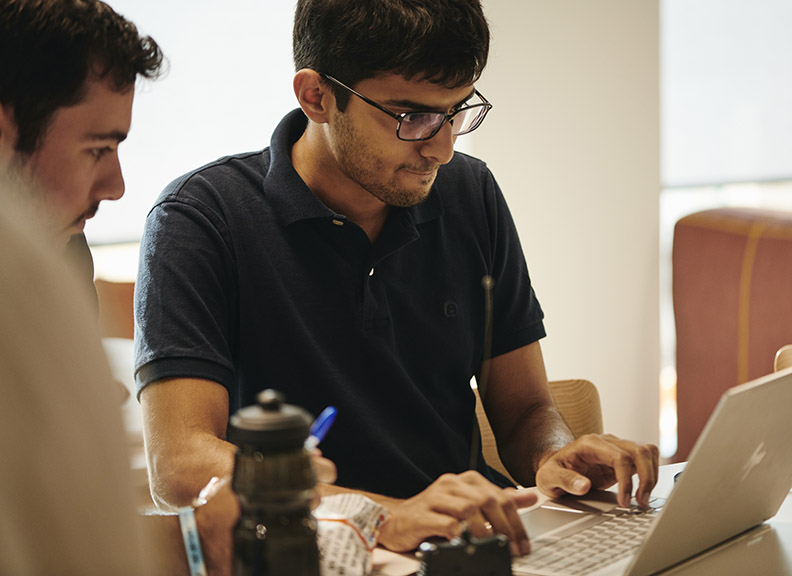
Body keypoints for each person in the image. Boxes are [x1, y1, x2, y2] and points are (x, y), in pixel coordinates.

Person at [135, 0, 659, 555]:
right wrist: (379, 518)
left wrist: (555, 455)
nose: (443, 147)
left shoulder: (469, 193)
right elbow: (179, 463)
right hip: (312, 553)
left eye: (457, 110)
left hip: (468, 547)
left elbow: (526, 410)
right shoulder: (201, 220)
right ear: (316, 96)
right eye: (413, 117)